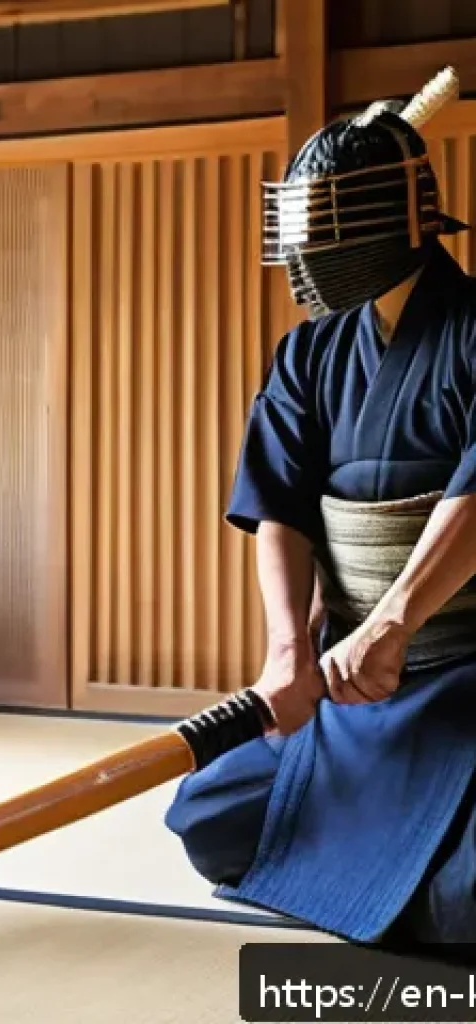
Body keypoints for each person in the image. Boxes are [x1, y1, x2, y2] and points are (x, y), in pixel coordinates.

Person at [164, 67, 476, 951]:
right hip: (351, 683)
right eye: (306, 221)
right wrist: (287, 653)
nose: (311, 245)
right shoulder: (308, 352)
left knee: (470, 892)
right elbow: (278, 504)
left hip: (459, 670)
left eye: (334, 218)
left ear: (411, 212)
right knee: (211, 815)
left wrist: (395, 622)